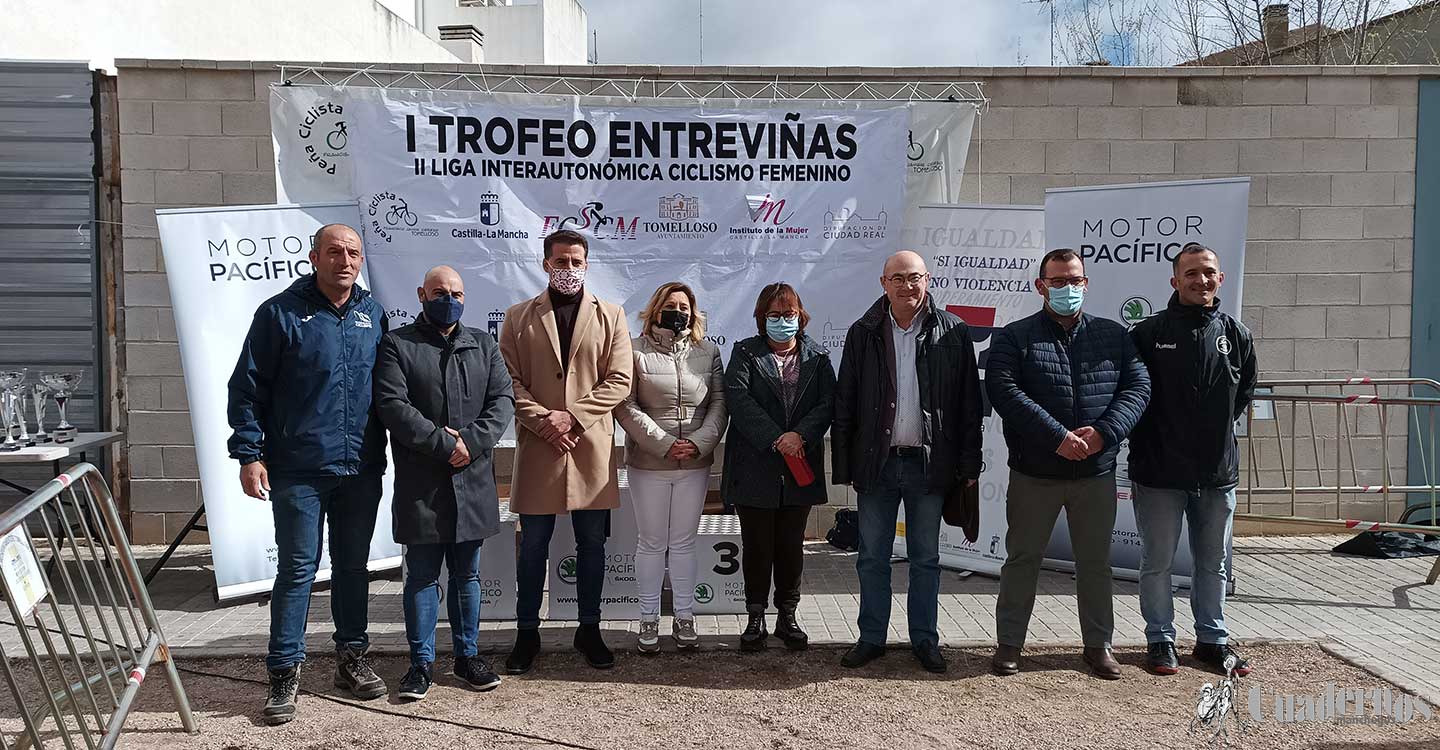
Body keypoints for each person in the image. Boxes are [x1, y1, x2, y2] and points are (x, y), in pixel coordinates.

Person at [227, 223, 389, 725]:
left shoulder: (372, 315)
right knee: (297, 571)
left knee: (353, 568)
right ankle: (283, 672)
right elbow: (247, 388)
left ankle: (351, 659)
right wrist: (249, 454)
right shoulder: (280, 313)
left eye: (354, 253)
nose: (345, 260)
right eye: (335, 252)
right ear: (315, 257)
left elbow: (389, 393)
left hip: (359, 467)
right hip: (298, 468)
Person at [986, 248, 1151, 680]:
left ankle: (1098, 646)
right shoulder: (1014, 337)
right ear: (1041, 286)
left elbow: (1137, 388)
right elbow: (1004, 392)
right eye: (1057, 281)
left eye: (1074, 280)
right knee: (1022, 559)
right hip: (1035, 473)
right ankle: (1009, 645)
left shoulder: (1115, 336)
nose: (1066, 288)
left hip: (1094, 475)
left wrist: (1104, 433)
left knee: (1095, 563)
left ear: (1086, 284)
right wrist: (1056, 437)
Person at [832, 251, 984, 675]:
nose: (906, 286)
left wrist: (969, 468)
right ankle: (871, 638)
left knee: (926, 559)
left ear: (927, 280)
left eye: (914, 277)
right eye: (897, 278)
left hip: (929, 465)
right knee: (872, 558)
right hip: (877, 465)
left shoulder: (952, 332)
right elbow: (846, 402)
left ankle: (924, 640)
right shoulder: (863, 333)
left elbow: (970, 405)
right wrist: (845, 468)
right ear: (884, 284)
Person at [373, 265, 516, 700]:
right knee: (420, 577)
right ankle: (421, 664)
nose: (447, 298)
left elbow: (503, 400)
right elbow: (391, 404)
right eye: (439, 292)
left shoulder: (484, 344)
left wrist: (469, 443)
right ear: (421, 294)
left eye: (455, 292)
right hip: (423, 482)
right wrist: (440, 443)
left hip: (471, 480)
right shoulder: (398, 344)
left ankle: (468, 656)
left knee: (467, 576)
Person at [498, 229, 633, 673]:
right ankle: (526, 634)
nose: (569, 269)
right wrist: (544, 421)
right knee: (533, 545)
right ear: (546, 264)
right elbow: (508, 382)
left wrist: (571, 417)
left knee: (592, 544)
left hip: (588, 446)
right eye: (561, 262)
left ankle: (588, 629)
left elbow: (619, 380)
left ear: (588, 264)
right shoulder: (518, 317)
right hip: (540, 447)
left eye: (577, 261)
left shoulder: (611, 315)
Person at [1129, 242, 1257, 677]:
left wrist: (1211, 435)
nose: (1201, 280)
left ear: (1220, 279)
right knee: (1158, 562)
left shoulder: (1236, 334)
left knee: (1213, 564)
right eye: (1191, 274)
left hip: (1217, 474)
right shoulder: (1147, 334)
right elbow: (1133, 396)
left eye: (1208, 272)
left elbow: (1242, 394)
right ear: (1174, 281)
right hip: (1159, 472)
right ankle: (1160, 639)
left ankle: (1212, 641)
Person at [721, 282, 835, 653]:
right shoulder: (745, 354)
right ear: (761, 318)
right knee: (756, 546)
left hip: (799, 466)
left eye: (789, 314)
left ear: (800, 317)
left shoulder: (818, 357)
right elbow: (738, 399)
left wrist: (799, 435)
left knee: (790, 547)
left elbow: (827, 403)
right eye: (775, 315)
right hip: (756, 465)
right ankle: (755, 616)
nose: (783, 321)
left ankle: (788, 616)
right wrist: (776, 437)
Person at [616, 282, 728, 653]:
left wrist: (697, 443)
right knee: (651, 543)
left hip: (695, 463)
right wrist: (665, 444)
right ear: (654, 309)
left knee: (682, 543)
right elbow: (625, 406)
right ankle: (648, 616)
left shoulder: (708, 351)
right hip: (650, 463)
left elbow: (719, 404)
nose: (677, 312)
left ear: (693, 313)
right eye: (670, 305)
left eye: (684, 306)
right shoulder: (632, 351)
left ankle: (684, 615)